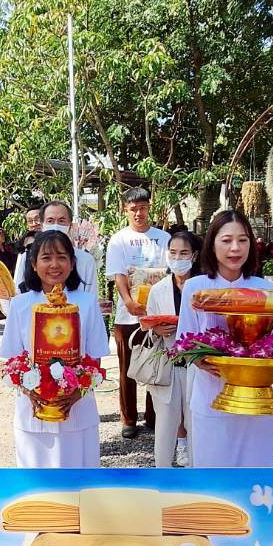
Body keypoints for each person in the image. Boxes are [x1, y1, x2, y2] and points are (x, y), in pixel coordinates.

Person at [176, 210, 273, 468]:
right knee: (214, 474)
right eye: (226, 240)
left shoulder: (264, 288)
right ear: (212, 244)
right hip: (212, 396)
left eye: (243, 240)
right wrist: (200, 361)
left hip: (256, 398)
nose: (235, 248)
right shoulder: (195, 287)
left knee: (256, 472)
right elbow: (183, 342)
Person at [0, 231, 110, 468]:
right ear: (34, 264)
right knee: (38, 489)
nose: (54, 264)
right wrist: (30, 391)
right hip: (33, 410)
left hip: (78, 409)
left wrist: (76, 393)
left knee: (79, 483)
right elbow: (11, 361)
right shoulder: (20, 305)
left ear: (72, 263)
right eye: (46, 257)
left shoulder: (87, 303)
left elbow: (96, 358)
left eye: (61, 257)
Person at [106, 188, 171, 438]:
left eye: (142, 208)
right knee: (127, 369)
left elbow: (169, 272)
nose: (138, 213)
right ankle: (129, 419)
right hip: (128, 315)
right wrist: (129, 301)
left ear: (149, 207)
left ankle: (154, 417)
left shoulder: (163, 238)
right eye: (133, 209)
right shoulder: (119, 239)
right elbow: (118, 274)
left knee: (157, 364)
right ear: (126, 210)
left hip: (159, 314)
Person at [144, 230, 200, 468]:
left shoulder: (202, 287)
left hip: (196, 365)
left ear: (194, 256)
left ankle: (196, 472)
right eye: (173, 253)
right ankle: (162, 472)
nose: (178, 258)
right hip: (166, 366)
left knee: (196, 422)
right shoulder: (158, 290)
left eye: (184, 253)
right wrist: (156, 330)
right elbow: (147, 324)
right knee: (165, 424)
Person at [13, 202, 96, 294]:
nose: (56, 225)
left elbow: (91, 296)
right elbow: (17, 292)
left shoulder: (86, 260)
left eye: (61, 220)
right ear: (42, 224)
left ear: (70, 225)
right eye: (50, 221)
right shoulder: (27, 256)